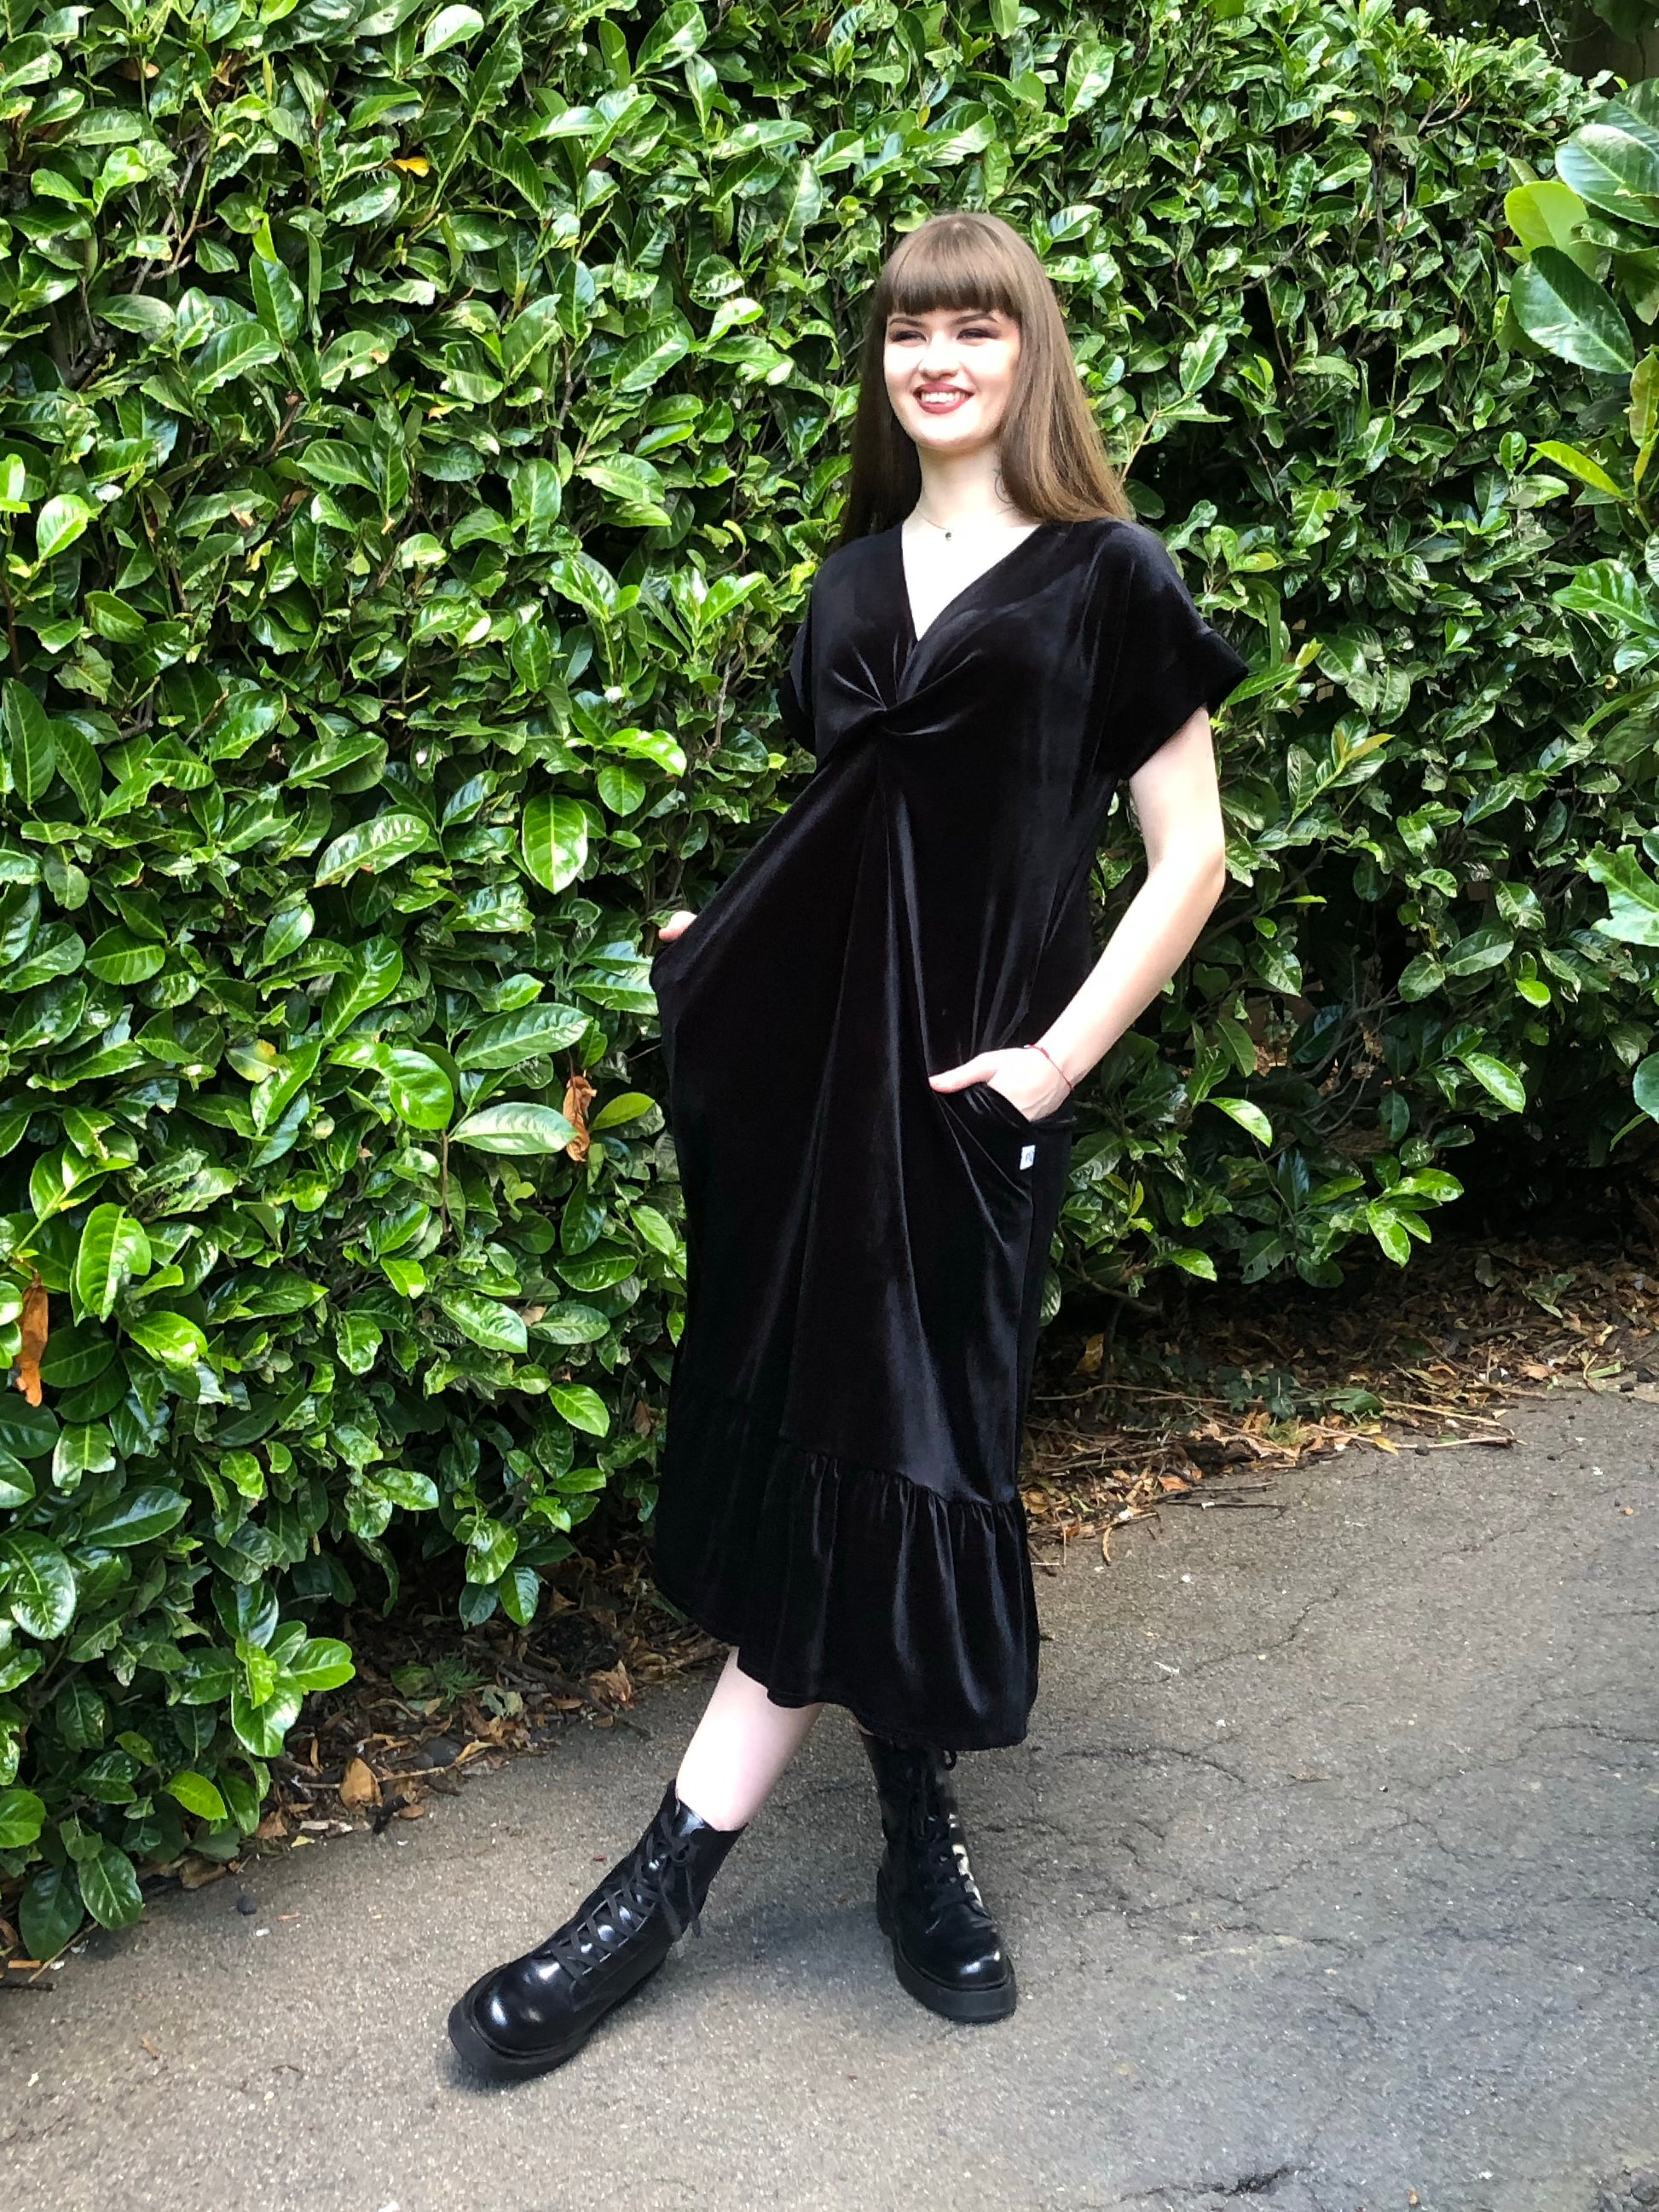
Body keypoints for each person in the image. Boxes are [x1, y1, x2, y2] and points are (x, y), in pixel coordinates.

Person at [447, 208, 1247, 2082]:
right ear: (881, 366)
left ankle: (661, 1885)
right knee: (849, 1437)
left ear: (1027, 354)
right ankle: (915, 1839)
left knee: (913, 1436)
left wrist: (1051, 1060)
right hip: (824, 1096)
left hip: (972, 1110)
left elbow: (1188, 856)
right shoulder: (840, 588)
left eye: (975, 326)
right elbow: (849, 847)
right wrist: (719, 953)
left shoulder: (1107, 576)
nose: (938, 357)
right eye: (909, 332)